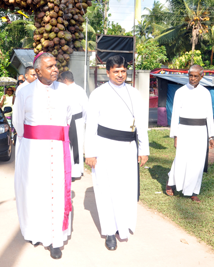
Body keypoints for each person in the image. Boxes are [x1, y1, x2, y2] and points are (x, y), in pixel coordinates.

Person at [85, 55, 150, 251]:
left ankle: (123, 225)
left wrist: (143, 149)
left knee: (125, 188)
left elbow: (141, 123)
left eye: (123, 71)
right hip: (105, 146)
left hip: (128, 148)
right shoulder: (98, 94)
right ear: (108, 72)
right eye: (116, 71)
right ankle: (109, 232)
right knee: (105, 189)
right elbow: (91, 126)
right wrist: (90, 152)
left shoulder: (134, 93)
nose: (120, 75)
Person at [12, 52, 73, 260]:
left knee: (55, 192)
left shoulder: (64, 90)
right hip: (33, 151)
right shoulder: (23, 92)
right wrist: (33, 141)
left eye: (56, 65)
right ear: (37, 71)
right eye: (50, 66)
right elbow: (18, 123)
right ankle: (35, 232)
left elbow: (68, 118)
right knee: (34, 191)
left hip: (57, 149)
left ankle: (55, 239)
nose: (55, 69)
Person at [166, 65, 214, 203]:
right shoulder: (180, 92)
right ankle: (171, 183)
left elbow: (209, 115)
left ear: (202, 76)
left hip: (201, 131)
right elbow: (175, 115)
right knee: (181, 159)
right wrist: (175, 136)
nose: (192, 78)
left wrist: (210, 136)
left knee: (198, 162)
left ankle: (194, 191)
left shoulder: (206, 92)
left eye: (195, 76)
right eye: (190, 75)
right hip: (184, 130)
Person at [59, 71, 88, 182]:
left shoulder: (75, 90)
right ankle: (72, 170)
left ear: (65, 79)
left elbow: (86, 108)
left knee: (75, 147)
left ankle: (75, 171)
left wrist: (83, 121)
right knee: (70, 146)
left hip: (76, 120)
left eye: (61, 80)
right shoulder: (78, 89)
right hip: (71, 120)